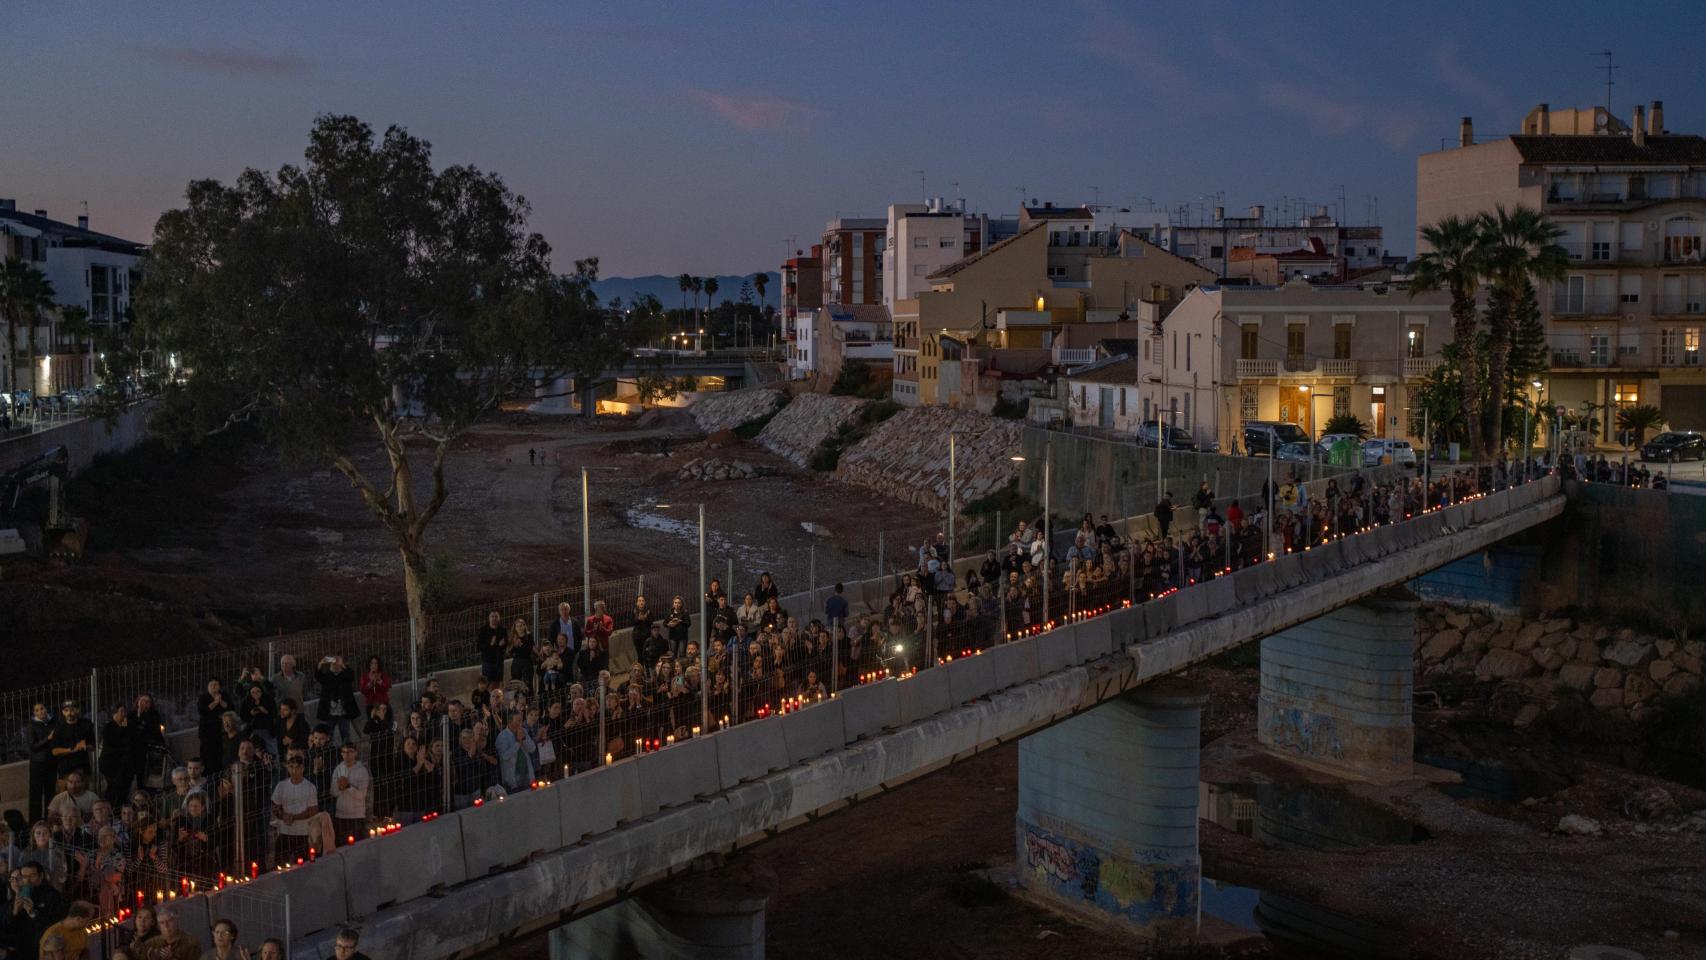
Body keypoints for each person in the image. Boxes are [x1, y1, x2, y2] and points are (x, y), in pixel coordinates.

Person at [270, 756, 319, 863]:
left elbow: (313, 810)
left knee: (302, 865)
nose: (294, 771)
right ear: (288, 768)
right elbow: (274, 807)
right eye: (291, 767)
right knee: (280, 864)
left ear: (302, 769)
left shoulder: (310, 787)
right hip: (284, 832)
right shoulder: (281, 786)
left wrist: (293, 817)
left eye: (297, 767)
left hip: (303, 833)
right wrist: (283, 816)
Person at [314, 655, 360, 745]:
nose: (335, 664)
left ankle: (347, 750)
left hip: (344, 712)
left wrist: (342, 665)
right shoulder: (327, 676)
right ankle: (330, 751)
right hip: (329, 712)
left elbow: (351, 675)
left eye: (336, 663)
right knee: (328, 736)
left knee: (346, 735)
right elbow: (318, 676)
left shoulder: (345, 675)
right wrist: (321, 663)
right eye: (333, 663)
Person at [331, 743, 369, 845]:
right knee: (341, 846)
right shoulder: (338, 769)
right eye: (344, 752)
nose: (347, 755)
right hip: (340, 815)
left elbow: (362, 795)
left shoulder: (362, 770)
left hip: (356, 816)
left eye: (350, 752)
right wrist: (340, 788)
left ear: (355, 753)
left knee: (357, 846)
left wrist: (348, 786)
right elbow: (333, 792)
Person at [50, 701, 96, 784]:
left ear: (77, 710)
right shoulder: (59, 727)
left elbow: (93, 747)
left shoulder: (86, 724)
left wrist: (85, 746)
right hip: (65, 768)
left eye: (72, 710)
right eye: (66, 710)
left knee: (84, 790)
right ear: (63, 712)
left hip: (82, 766)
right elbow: (54, 751)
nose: (69, 713)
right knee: (64, 791)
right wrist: (72, 750)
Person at [26, 703, 55, 823]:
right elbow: (33, 746)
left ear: (46, 709)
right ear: (34, 713)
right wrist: (47, 739)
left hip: (52, 762)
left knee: (51, 793)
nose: (41, 711)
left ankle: (50, 820)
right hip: (38, 764)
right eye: (37, 710)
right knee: (36, 794)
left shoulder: (52, 721)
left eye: (42, 708)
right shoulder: (31, 726)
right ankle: (35, 822)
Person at [495, 713, 534, 793]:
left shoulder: (523, 731)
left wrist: (524, 739)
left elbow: (532, 749)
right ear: (510, 722)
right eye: (518, 721)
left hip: (527, 773)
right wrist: (518, 742)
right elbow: (505, 756)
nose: (520, 723)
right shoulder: (502, 737)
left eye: (521, 720)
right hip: (513, 777)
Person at [195, 683, 230, 774]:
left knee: (219, 757)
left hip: (220, 733)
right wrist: (215, 702)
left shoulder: (223, 696)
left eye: (216, 684)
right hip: (206, 734)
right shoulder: (203, 697)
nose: (213, 687)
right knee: (207, 758)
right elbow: (202, 711)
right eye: (211, 685)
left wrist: (220, 701)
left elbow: (229, 708)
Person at [477, 611, 507, 683]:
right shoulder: (483, 630)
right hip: (487, 662)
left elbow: (506, 645)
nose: (494, 618)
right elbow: (479, 646)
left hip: (499, 661)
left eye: (496, 616)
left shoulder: (502, 630)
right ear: (489, 618)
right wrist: (490, 644)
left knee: (498, 683)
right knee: (487, 683)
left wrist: (502, 645)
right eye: (492, 616)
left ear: (499, 618)